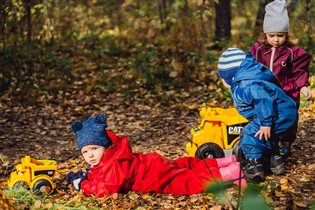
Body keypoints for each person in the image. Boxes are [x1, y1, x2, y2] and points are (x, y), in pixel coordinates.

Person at [65, 114, 247, 197]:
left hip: (151, 176)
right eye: (85, 152)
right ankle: (225, 161)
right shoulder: (112, 155)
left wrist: (83, 184)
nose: (90, 155)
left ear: (105, 147)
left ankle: (230, 173)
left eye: (94, 149)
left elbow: (106, 189)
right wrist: (89, 174)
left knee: (187, 180)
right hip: (151, 163)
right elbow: (100, 172)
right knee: (184, 165)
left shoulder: (114, 164)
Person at [217, 48, 298, 181]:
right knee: (267, 135)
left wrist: (266, 123)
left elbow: (263, 99)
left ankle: (254, 167)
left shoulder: (246, 85)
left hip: (277, 114)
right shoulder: (252, 79)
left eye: (223, 79)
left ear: (230, 77)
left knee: (249, 135)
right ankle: (276, 162)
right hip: (284, 112)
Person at [250, 0, 312, 155]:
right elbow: (247, 66)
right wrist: (232, 79)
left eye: (280, 35)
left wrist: (303, 86)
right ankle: (267, 142)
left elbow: (299, 70)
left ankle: (286, 141)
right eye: (272, 35)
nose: (276, 40)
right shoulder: (257, 50)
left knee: (288, 117)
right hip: (265, 90)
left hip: (286, 90)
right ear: (265, 34)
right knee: (265, 114)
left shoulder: (292, 52)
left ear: (287, 34)